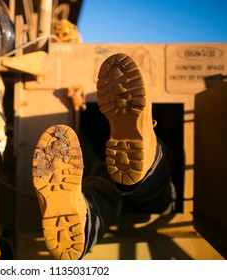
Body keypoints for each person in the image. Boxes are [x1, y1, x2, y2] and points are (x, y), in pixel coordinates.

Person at [31, 53, 176, 260]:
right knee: (156, 191)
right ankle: (150, 155)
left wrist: (76, 107)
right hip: (134, 191)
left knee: (99, 198)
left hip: (110, 184)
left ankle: (83, 219)